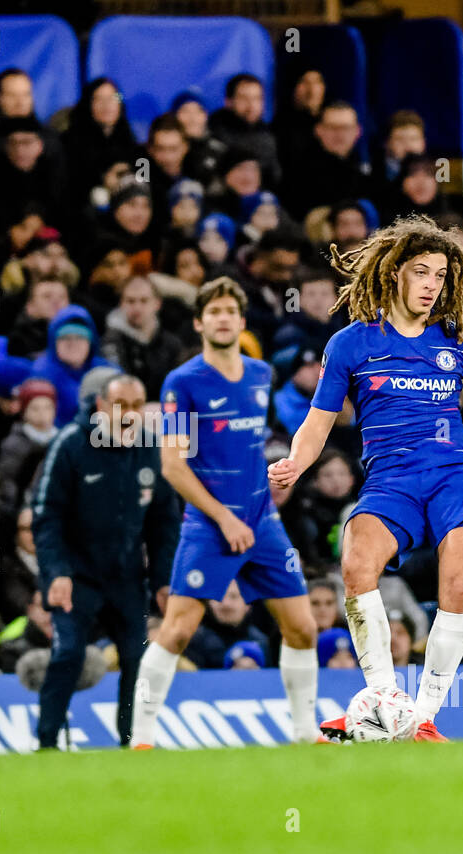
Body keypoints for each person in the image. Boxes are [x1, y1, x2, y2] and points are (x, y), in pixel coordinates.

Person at [271, 216, 463, 741]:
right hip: (390, 480)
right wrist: (295, 463)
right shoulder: (351, 344)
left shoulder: (461, 340)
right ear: (395, 273)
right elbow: (316, 424)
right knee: (356, 563)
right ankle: (383, 697)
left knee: (460, 584)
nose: (431, 285)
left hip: (452, 475)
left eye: (441, 276)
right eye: (421, 272)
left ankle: (421, 719)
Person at [129, 277, 321, 748]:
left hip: (262, 521)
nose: (221, 318)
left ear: (240, 320)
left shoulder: (260, 375)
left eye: (229, 311)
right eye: (211, 311)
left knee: (302, 628)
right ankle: (141, 737)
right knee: (175, 633)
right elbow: (173, 466)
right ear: (199, 322)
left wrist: (274, 476)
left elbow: (250, 445)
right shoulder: (182, 382)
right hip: (210, 525)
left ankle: (304, 733)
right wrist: (223, 517)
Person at [33, 373, 178, 748]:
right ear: (101, 407)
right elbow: (46, 515)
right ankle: (46, 743)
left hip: (126, 577)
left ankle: (131, 742)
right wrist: (56, 573)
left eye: (136, 406)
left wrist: (163, 581)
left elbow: (165, 522)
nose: (129, 414)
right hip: (76, 575)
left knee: (136, 657)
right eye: (120, 406)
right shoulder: (70, 444)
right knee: (67, 654)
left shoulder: (151, 448)